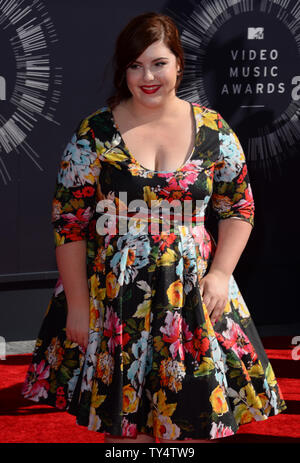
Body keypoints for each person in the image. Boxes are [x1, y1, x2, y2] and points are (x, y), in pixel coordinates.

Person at [21, 12, 286, 444]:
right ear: (122, 69)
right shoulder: (94, 134)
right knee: (127, 436)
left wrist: (220, 274)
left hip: (196, 299)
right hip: (116, 300)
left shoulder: (214, 131)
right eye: (135, 65)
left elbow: (238, 206)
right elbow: (69, 224)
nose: (147, 76)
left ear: (179, 64)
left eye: (159, 63)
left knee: (195, 426)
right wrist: (76, 305)